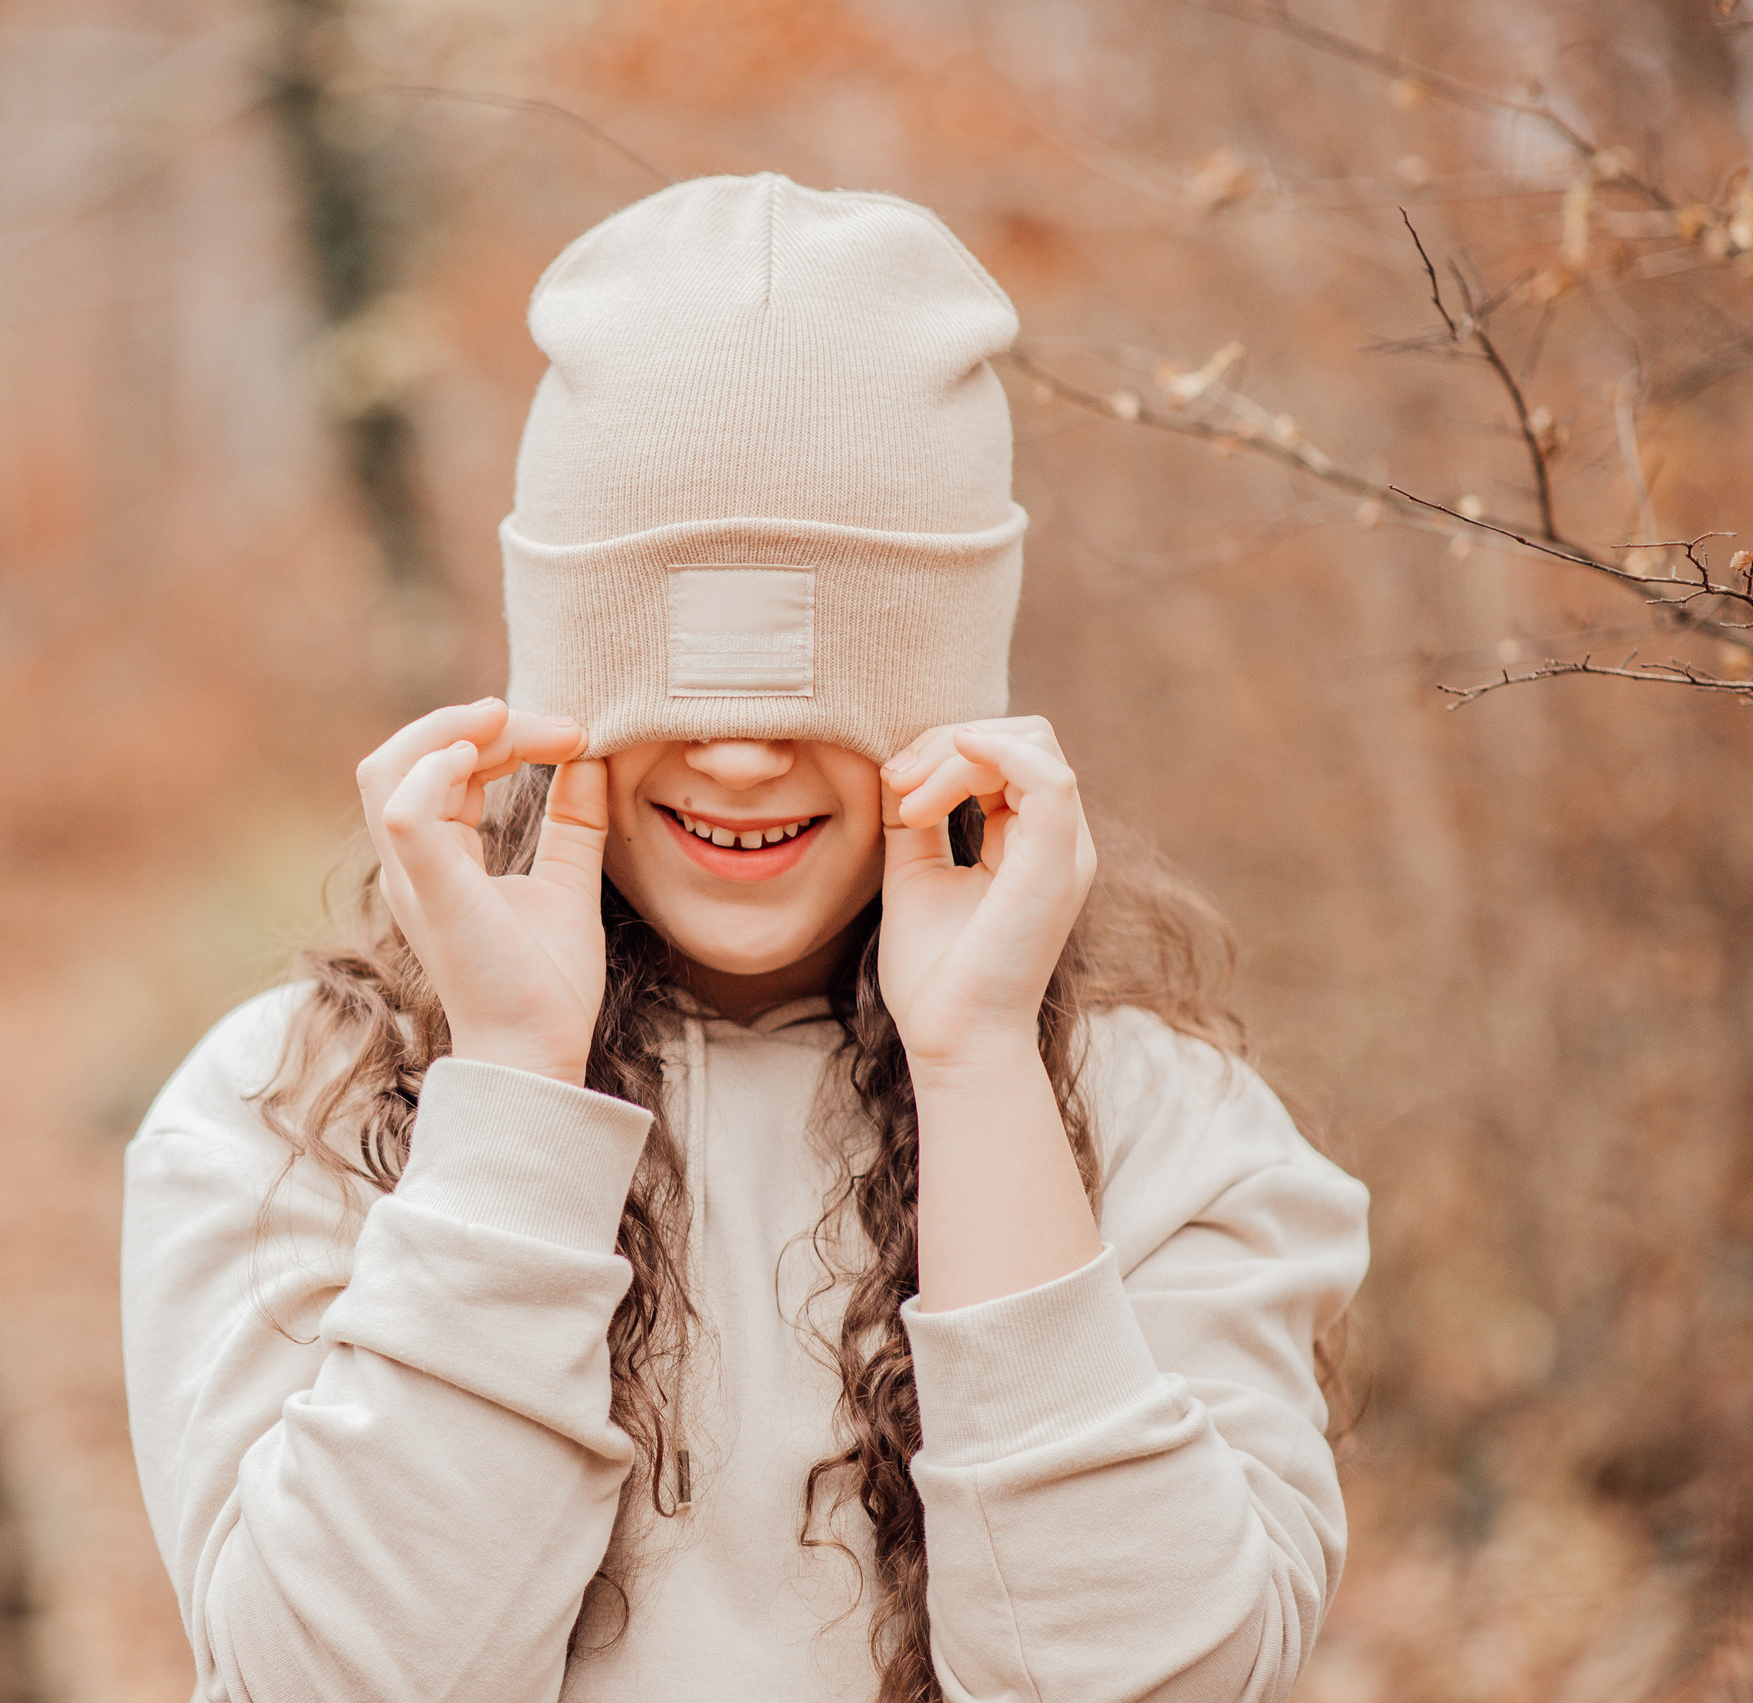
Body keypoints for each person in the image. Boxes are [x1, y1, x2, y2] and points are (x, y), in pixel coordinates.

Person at [120, 173, 1370, 1703]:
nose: (737, 757)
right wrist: (515, 1086)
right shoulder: (285, 1117)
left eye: (828, 681)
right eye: (666, 680)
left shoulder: (1170, 1134)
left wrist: (979, 1071)